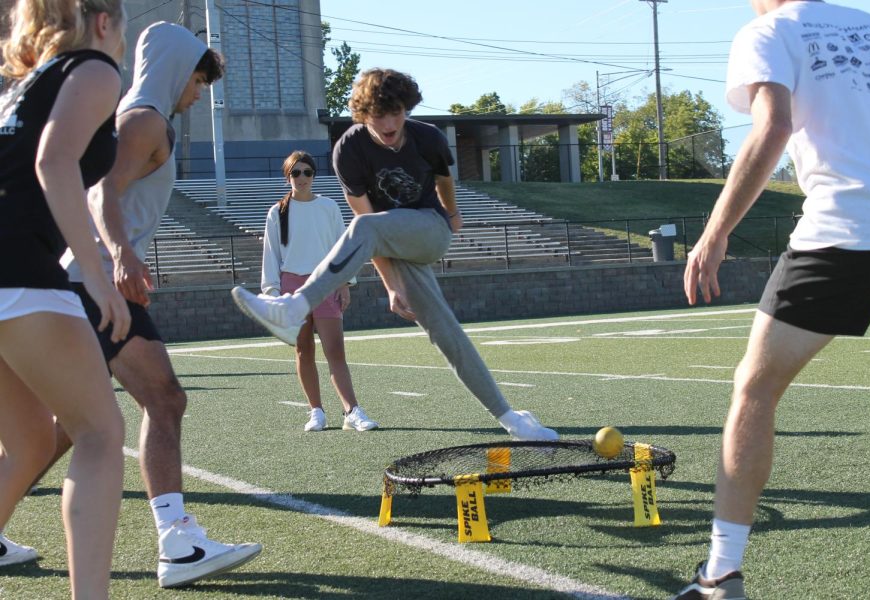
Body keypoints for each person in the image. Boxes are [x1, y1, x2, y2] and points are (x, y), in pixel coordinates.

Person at [673, 1, 870, 598]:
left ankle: (721, 573)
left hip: (845, 229)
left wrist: (715, 233)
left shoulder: (768, 31)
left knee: (755, 389)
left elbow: (771, 127)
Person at [232, 68, 558, 441]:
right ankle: (512, 420)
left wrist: (451, 214)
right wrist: (390, 285)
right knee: (443, 329)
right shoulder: (348, 150)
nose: (389, 123)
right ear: (362, 114)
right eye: (378, 115)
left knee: (370, 232)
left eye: (397, 112)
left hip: (428, 230)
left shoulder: (427, 137)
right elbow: (365, 223)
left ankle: (294, 307)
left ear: (408, 108)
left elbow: (443, 181)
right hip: (388, 239)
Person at [49, 22, 260, 589]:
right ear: (177, 70)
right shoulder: (145, 119)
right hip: (93, 283)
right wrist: (120, 257)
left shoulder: (133, 116)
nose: (197, 96)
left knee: (66, 429)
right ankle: (178, 543)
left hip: (79, 281)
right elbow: (101, 192)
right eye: (197, 82)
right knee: (163, 400)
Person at [0, 0, 131, 596]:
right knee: (100, 436)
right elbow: (53, 160)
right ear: (104, 20)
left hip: (9, 274)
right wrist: (98, 276)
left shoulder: (24, 84)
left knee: (28, 443)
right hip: (20, 274)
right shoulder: (96, 69)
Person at [260, 150, 377, 432]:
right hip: (292, 288)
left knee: (335, 350)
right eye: (295, 173)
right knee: (303, 350)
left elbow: (341, 248)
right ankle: (316, 412)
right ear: (288, 176)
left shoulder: (329, 207)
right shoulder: (277, 212)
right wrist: (273, 293)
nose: (302, 178)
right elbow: (271, 254)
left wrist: (345, 284)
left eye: (307, 172)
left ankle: (352, 411)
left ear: (314, 175)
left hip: (325, 284)